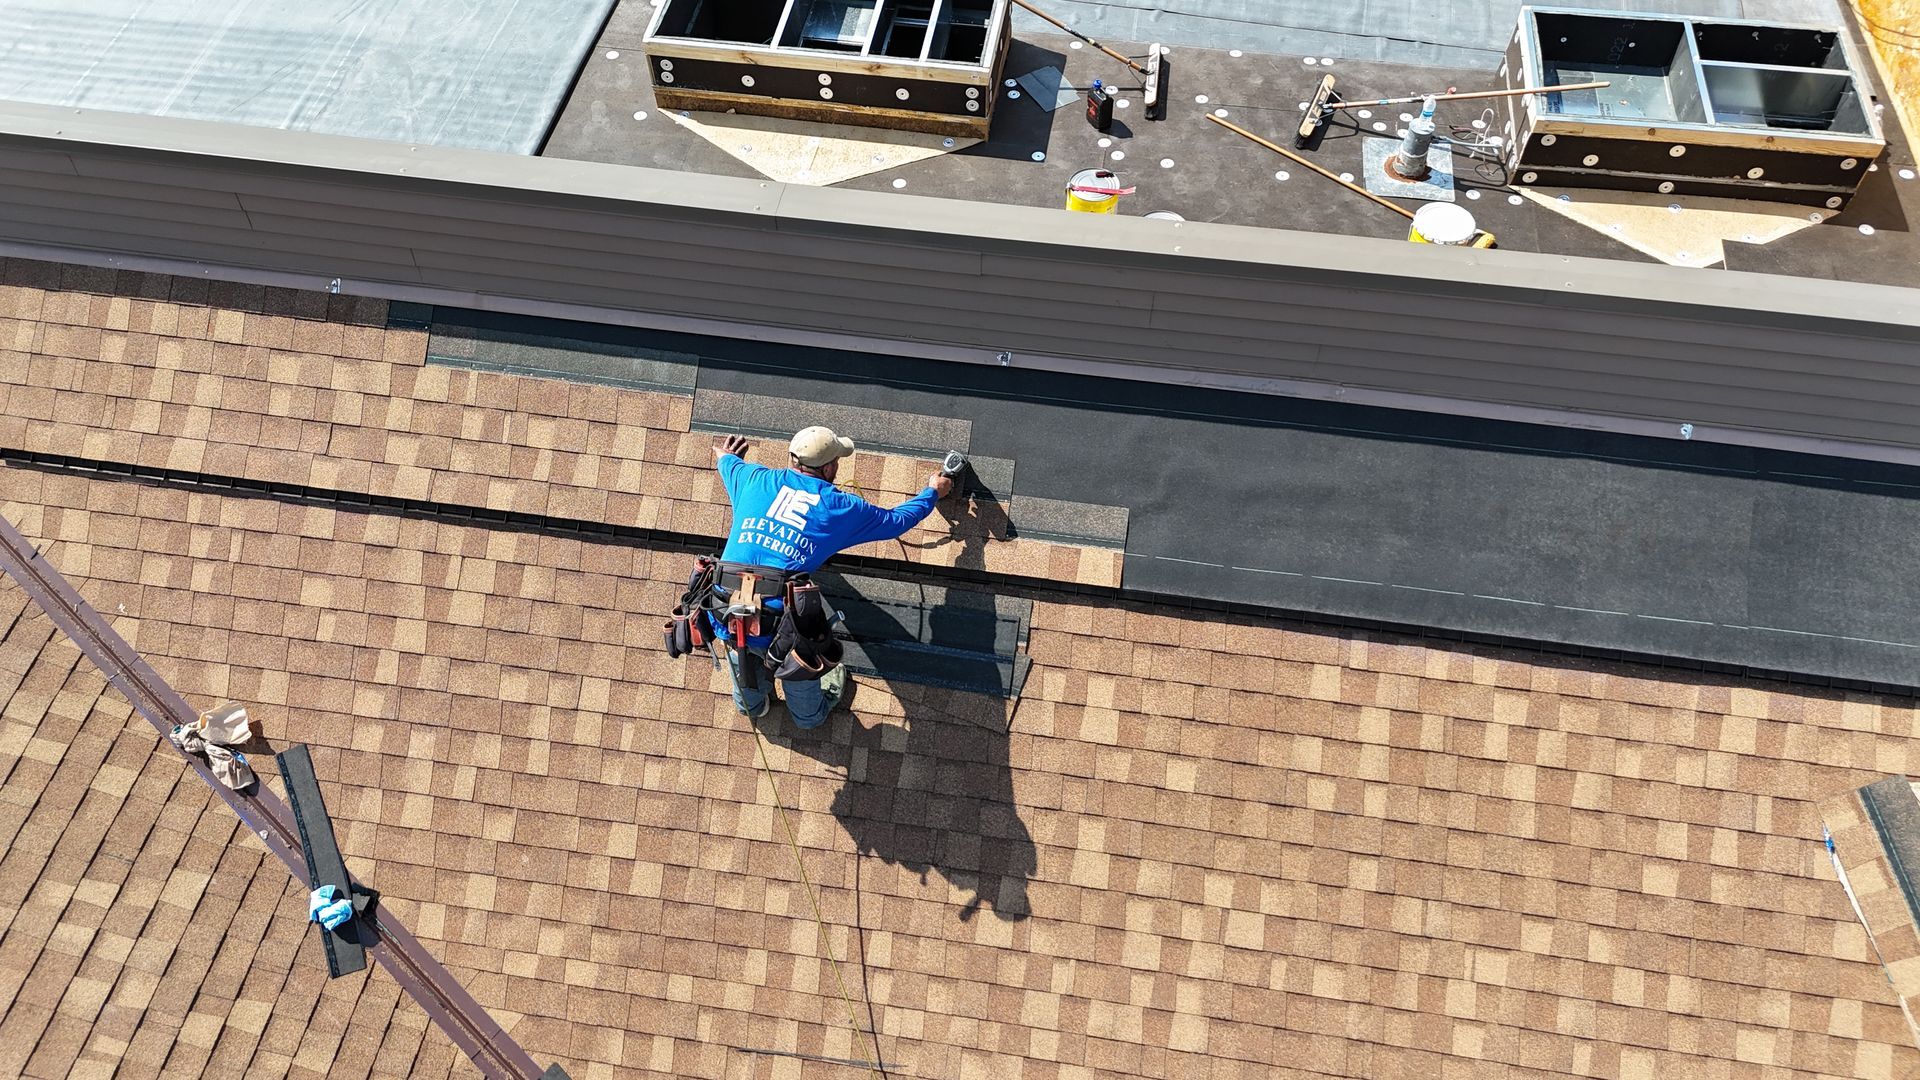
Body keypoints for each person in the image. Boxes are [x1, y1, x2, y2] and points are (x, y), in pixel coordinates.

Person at [708, 426, 954, 727]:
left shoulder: (752, 478)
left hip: (726, 611)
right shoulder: (839, 507)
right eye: (836, 461)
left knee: (741, 654)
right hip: (782, 625)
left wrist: (727, 455)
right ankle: (808, 716)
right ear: (827, 467)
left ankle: (752, 706)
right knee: (798, 664)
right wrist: (933, 491)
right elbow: (896, 521)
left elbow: (724, 459)